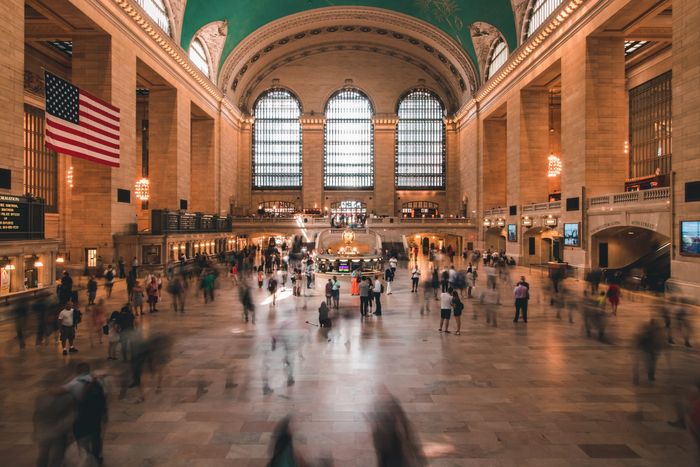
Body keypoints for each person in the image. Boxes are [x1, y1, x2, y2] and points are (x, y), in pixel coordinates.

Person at [62, 363, 107, 464]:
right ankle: (97, 455)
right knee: (96, 435)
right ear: (88, 370)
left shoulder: (74, 383)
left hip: (81, 414)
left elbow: (58, 392)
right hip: (96, 414)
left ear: (77, 371)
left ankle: (86, 454)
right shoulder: (99, 381)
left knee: (81, 437)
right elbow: (105, 395)